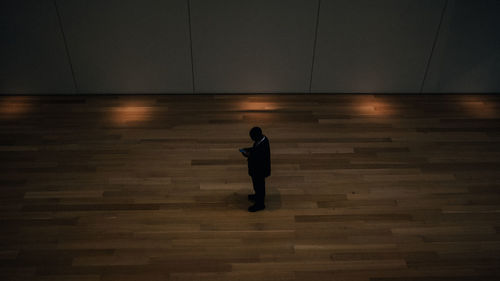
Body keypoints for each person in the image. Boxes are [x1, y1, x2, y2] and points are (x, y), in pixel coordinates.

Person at [240, 127, 271, 212]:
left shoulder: (263, 145)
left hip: (260, 171)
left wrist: (248, 155)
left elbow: (258, 157)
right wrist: (249, 150)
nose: (251, 139)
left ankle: (260, 204)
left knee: (259, 186)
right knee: (257, 186)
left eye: (252, 137)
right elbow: (256, 150)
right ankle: (257, 196)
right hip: (257, 170)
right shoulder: (262, 140)